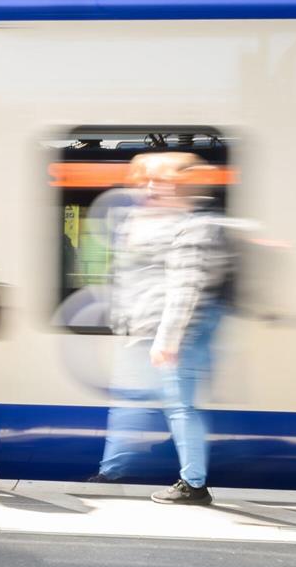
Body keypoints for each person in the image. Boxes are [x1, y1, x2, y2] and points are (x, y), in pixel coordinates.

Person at [91, 152, 230, 505]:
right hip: (146, 328)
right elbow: (131, 276)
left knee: (180, 406)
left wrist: (168, 340)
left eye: (162, 181)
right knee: (130, 402)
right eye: (149, 180)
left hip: (175, 331)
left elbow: (185, 288)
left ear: (181, 187)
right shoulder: (151, 220)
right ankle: (111, 473)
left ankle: (193, 484)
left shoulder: (194, 227)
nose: (152, 187)